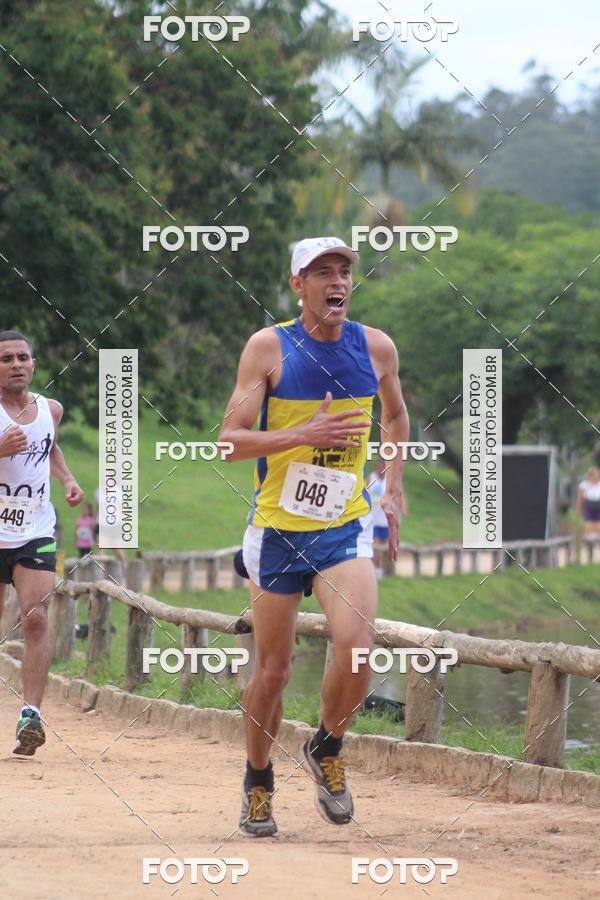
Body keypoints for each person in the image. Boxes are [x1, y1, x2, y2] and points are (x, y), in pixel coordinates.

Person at [219, 236, 409, 836]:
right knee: (273, 671)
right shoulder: (268, 348)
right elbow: (229, 439)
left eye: (344, 271)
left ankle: (326, 746)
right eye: (322, 271)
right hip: (276, 530)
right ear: (298, 285)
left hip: (342, 527)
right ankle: (257, 781)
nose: (338, 281)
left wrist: (394, 483)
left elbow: (398, 415)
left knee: (357, 646)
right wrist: (301, 436)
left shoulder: (375, 347)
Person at [0, 331, 83, 755]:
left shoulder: (50, 410)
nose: (16, 364)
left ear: (33, 363)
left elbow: (50, 449)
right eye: (7, 358)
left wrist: (67, 479)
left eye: (23, 357)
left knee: (35, 618)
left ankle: (30, 715)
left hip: (34, 527)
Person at [367, 458, 408, 577]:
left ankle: (387, 570)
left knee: (387, 545)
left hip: (386, 520)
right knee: (376, 545)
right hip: (373, 519)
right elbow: (364, 492)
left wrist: (403, 507)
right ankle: (376, 569)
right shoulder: (371, 478)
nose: (381, 469)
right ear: (376, 467)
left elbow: (400, 493)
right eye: (379, 466)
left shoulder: (390, 480)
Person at [576, 466, 600, 535]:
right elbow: (580, 500)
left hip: (598, 508)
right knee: (588, 527)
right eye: (595, 474)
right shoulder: (584, 485)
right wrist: (578, 511)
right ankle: (589, 542)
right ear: (590, 476)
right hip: (589, 508)